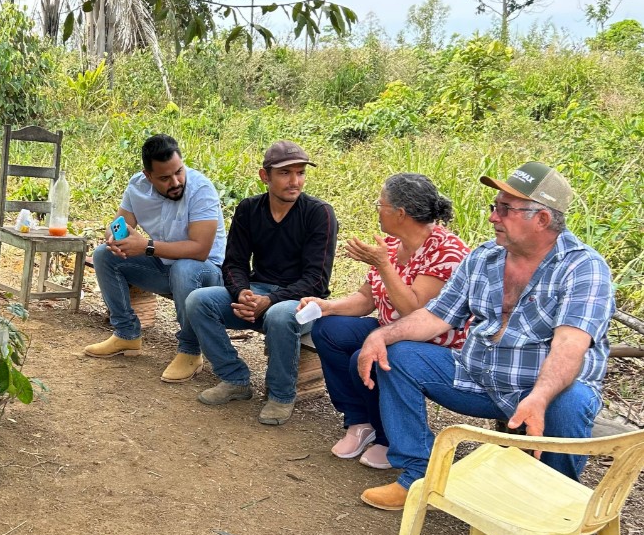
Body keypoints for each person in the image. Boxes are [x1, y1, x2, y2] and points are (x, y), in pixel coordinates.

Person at [356, 162, 614, 511]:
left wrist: (539, 397)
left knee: (573, 401)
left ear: (542, 219)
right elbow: (435, 316)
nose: (494, 217)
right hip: (477, 378)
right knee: (398, 355)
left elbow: (571, 345)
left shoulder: (583, 267)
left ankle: (548, 508)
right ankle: (419, 474)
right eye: (495, 206)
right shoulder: (483, 258)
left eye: (506, 209)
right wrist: (382, 336)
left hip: (542, 391)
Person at [302, 173, 469, 469]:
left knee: (362, 357)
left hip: (431, 342)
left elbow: (414, 310)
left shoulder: (446, 251)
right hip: (390, 329)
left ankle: (388, 436)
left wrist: (383, 265)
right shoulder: (392, 244)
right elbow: (366, 299)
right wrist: (327, 306)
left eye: (381, 204)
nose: (376, 209)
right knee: (328, 329)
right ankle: (359, 422)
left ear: (400, 213)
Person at [185, 140, 338, 424]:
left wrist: (270, 301)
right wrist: (242, 292)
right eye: (285, 173)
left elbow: (316, 280)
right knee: (199, 300)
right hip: (258, 292)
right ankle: (235, 379)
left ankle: (281, 396)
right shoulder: (249, 209)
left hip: (303, 302)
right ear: (264, 176)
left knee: (280, 315)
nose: (295, 181)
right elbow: (234, 262)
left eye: (300, 172)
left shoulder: (319, 213)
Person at [83, 134, 226, 383]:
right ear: (148, 175)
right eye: (164, 178)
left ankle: (190, 351)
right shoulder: (137, 185)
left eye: (178, 172)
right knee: (104, 255)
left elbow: (200, 250)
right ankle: (127, 334)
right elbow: (120, 223)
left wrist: (146, 246)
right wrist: (115, 238)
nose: (175, 181)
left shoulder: (201, 189)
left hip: (207, 274)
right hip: (165, 267)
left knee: (185, 268)